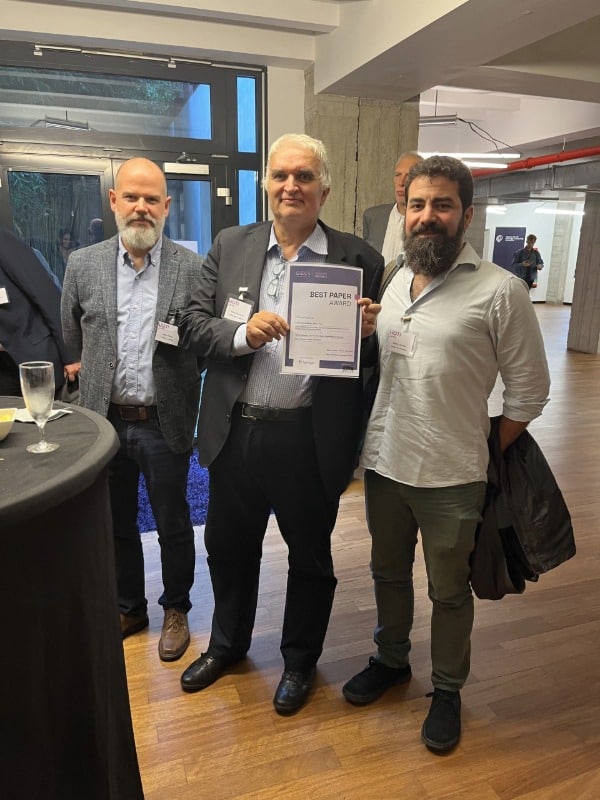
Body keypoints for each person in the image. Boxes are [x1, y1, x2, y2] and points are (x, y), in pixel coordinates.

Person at [343, 156, 550, 752]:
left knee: (448, 590)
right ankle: (391, 659)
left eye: (442, 205)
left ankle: (448, 689)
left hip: (452, 475)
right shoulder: (393, 279)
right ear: (403, 211)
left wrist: (483, 444)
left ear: (466, 215)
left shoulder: (501, 290)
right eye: (417, 205)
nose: (427, 216)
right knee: (387, 573)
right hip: (385, 464)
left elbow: (530, 390)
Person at [177, 133, 384, 715]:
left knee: (310, 558)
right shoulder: (231, 244)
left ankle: (299, 661)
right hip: (236, 430)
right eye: (280, 175)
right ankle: (227, 645)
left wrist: (369, 336)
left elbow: (372, 361)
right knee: (228, 547)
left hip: (309, 437)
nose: (291, 186)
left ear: (324, 189)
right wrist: (242, 334)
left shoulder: (360, 260)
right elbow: (192, 324)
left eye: (304, 176)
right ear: (265, 183)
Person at [61, 158, 204, 662]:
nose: (141, 207)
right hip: (104, 422)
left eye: (151, 199)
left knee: (172, 522)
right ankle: (130, 607)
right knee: (116, 522)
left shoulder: (192, 268)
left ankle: (176, 607)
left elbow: (205, 343)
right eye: (132, 197)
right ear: (114, 201)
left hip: (165, 422)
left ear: (166, 205)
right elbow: (71, 334)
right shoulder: (83, 264)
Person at [0, 228, 78, 396]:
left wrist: (71, 355)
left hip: (33, 356)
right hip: (3, 368)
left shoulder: (3, 241)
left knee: (43, 410)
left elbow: (45, 293)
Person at [362, 151, 423, 263]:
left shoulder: (427, 222)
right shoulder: (372, 217)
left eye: (409, 176)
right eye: (398, 175)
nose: (401, 182)